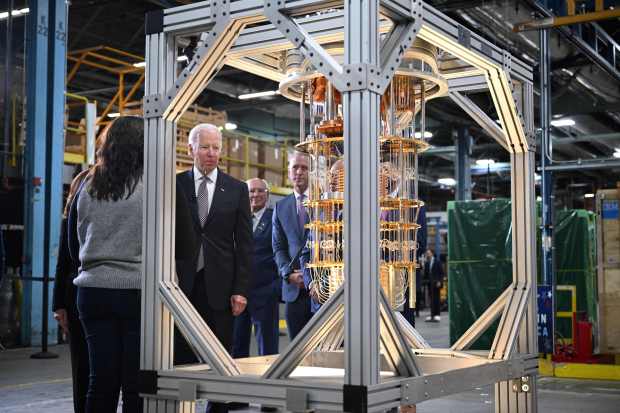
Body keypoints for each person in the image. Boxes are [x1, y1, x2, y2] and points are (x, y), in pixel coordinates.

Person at [68, 116, 144, 412]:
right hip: (134, 292)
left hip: (91, 293)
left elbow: (74, 246)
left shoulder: (87, 184)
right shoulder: (150, 185)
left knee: (100, 382)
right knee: (135, 385)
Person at [175, 123, 252, 413]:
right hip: (180, 286)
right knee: (179, 359)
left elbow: (244, 245)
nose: (211, 153)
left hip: (221, 288)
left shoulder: (236, 189)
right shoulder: (176, 185)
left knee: (220, 360)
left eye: (216, 147)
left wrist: (241, 290)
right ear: (190, 148)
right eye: (205, 147)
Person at [52, 168, 90, 413]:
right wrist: (58, 305)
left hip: (80, 295)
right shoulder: (70, 220)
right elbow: (63, 261)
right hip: (74, 296)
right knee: (81, 368)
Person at [232, 178, 280, 359]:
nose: (255, 195)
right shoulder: (236, 217)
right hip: (238, 293)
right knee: (237, 346)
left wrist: (275, 288)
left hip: (265, 294)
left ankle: (269, 385)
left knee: (267, 350)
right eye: (251, 191)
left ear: (267, 195)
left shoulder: (275, 217)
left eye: (260, 191)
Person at [272, 151, 312, 340]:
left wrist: (311, 275)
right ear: (288, 172)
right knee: (297, 352)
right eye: (295, 167)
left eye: (304, 168)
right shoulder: (281, 207)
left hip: (321, 291)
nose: (299, 172)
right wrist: (288, 273)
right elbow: (278, 247)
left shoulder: (326, 203)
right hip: (293, 289)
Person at [424, 248, 444, 322]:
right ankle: (432, 314)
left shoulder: (437, 262)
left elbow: (441, 273)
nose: (427, 254)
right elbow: (426, 274)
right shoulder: (427, 263)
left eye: (428, 253)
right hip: (430, 284)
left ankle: (437, 314)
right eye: (427, 253)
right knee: (431, 299)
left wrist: (440, 281)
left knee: (437, 299)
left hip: (436, 284)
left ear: (432, 253)